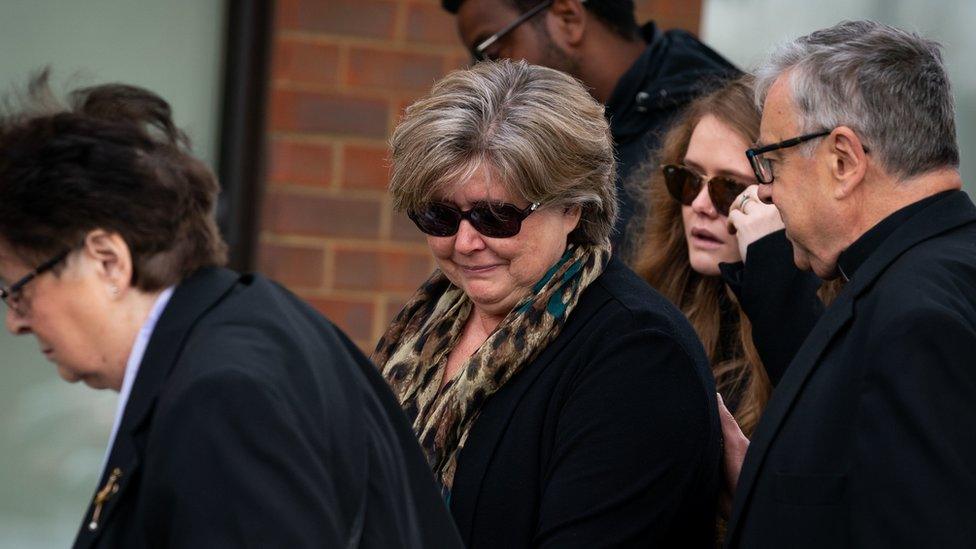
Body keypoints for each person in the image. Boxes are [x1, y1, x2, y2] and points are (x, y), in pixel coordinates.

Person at [0, 73, 462, 548]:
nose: (16, 320)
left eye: (18, 288)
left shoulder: (222, 391)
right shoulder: (249, 327)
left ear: (108, 261)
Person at [373, 59, 721, 548]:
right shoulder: (432, 317)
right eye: (440, 215)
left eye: (496, 216)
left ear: (574, 206)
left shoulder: (637, 354)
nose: (466, 241)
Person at [723, 21, 976, 548]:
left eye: (770, 162)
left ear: (843, 160)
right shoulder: (926, 275)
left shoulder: (915, 318)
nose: (763, 193)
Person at [441, 0, 738, 255]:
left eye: (491, 52)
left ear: (568, 18)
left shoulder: (716, 128)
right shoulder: (562, 133)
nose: (485, 74)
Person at [633, 76, 839, 436]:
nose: (700, 205)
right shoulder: (660, 291)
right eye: (689, 179)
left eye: (730, 188)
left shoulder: (820, 315)